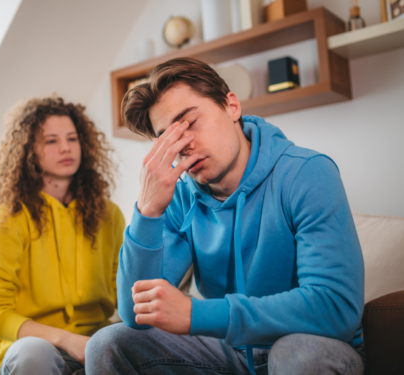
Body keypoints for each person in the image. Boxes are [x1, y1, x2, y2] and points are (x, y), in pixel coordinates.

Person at [85, 58, 365, 375]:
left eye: (189, 123)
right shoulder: (179, 197)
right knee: (107, 344)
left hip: (313, 346)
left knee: (294, 354)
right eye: (169, 138)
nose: (184, 145)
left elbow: (336, 308)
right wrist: (147, 211)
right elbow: (135, 314)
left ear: (231, 106)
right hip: (229, 350)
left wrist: (196, 314)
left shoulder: (306, 173)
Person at [0, 96, 125, 375]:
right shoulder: (7, 220)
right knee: (35, 352)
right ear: (28, 150)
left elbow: (123, 293)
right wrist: (66, 340)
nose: (66, 148)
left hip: (95, 341)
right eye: (51, 141)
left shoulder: (109, 215)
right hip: (29, 346)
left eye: (72, 138)